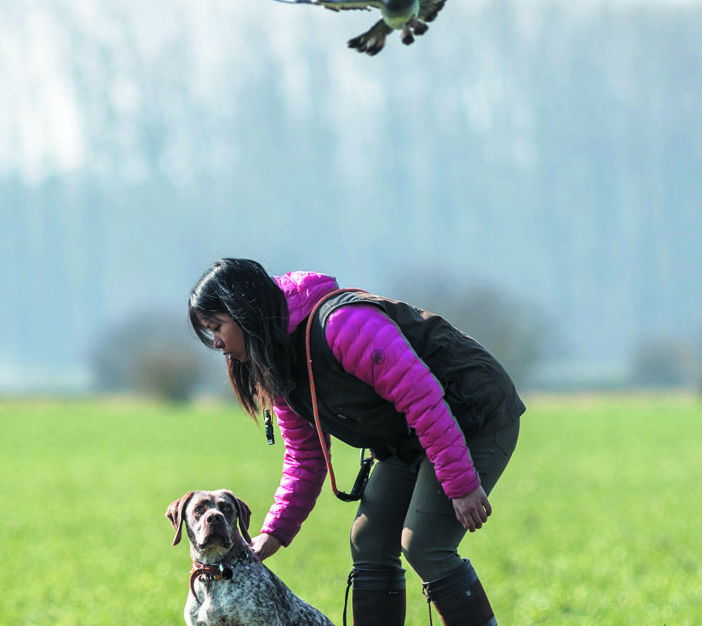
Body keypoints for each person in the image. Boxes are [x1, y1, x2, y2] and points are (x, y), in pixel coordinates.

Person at [188, 258, 524, 626]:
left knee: (426, 545)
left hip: (473, 417)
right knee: (370, 540)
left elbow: (422, 399)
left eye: (217, 327)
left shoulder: (343, 326)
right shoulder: (277, 362)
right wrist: (275, 532)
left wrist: (459, 483)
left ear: (245, 312)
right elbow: (305, 457)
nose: (216, 343)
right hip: (410, 437)